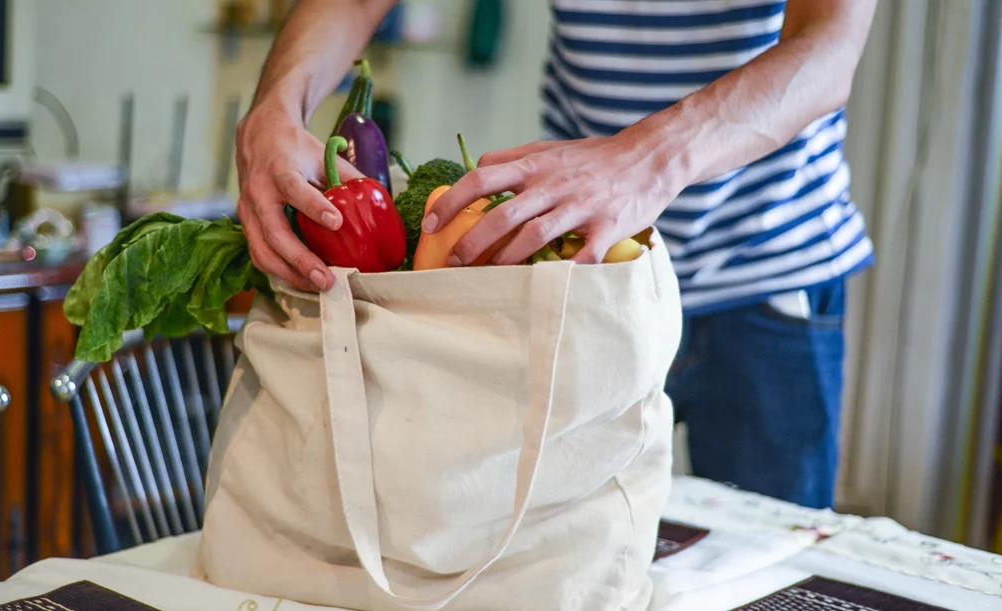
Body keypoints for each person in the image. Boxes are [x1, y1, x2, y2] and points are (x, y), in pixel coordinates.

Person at [235, 0, 878, 509]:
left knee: (768, 566)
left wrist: (643, 160)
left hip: (767, 271)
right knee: (556, 553)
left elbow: (827, 47)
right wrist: (273, 108)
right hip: (570, 277)